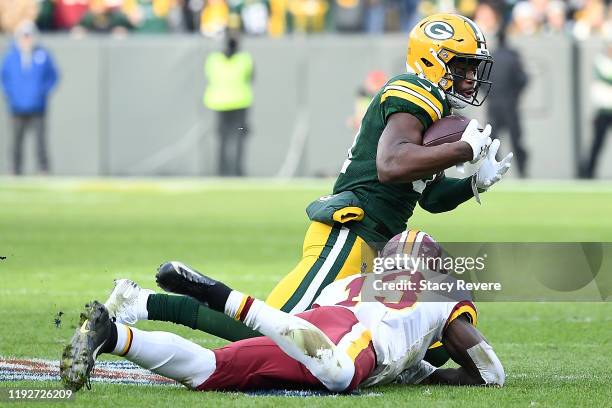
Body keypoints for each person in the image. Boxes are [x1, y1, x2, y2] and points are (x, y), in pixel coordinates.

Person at [82, 13, 513, 369]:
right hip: (350, 232)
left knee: (293, 338)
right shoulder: (414, 92)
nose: (471, 76)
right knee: (271, 331)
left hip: (372, 241)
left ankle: (140, 304)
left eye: (474, 67)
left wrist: (472, 182)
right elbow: (390, 166)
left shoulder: (431, 107)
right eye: (463, 65)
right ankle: (140, 304)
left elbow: (428, 197)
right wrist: (462, 148)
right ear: (433, 61)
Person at [60, 231, 505, 392]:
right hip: (349, 339)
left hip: (321, 323)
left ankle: (112, 334)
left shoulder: (354, 283)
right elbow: (489, 373)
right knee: (342, 375)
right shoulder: (440, 292)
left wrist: (422, 370)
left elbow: (398, 342)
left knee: (209, 370)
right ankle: (226, 297)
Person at [1, 20, 59, 175]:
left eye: (29, 36)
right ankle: (15, 169)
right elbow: (4, 78)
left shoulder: (43, 55)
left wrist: (41, 92)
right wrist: (11, 94)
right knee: (15, 141)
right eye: (23, 36)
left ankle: (43, 169)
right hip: (16, 106)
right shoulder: (11, 56)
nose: (26, 39)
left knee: (40, 141)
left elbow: (53, 76)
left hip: (37, 105)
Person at [204, 32, 254, 176]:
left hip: (219, 104)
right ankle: (237, 171)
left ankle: (222, 171)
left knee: (222, 138)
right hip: (240, 104)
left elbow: (209, 76)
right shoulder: (244, 59)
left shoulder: (213, 59)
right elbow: (251, 76)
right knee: (238, 137)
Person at [487, 28, 529, 177]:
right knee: (516, 139)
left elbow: (480, 79)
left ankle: (493, 171)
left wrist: (489, 94)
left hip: (493, 103)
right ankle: (522, 172)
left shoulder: (490, 57)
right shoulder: (513, 57)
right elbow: (523, 79)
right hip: (510, 103)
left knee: (492, 141)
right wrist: (515, 95)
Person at [582, 41, 612, 178]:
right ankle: (588, 172)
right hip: (603, 110)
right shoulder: (601, 62)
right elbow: (606, 76)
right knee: (597, 143)